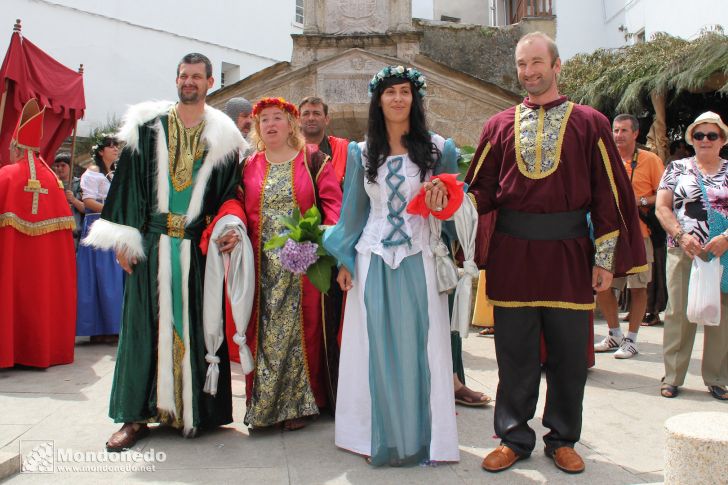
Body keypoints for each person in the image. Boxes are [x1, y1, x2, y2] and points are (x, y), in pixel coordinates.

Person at [461, 32, 645, 474]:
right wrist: (444, 201)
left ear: (557, 66)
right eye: (522, 64)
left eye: (537, 62)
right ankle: (513, 437)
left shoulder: (590, 122)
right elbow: (479, 192)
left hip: (568, 254)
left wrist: (604, 261)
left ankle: (563, 439)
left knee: (567, 357)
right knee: (514, 355)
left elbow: (607, 195)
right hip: (512, 254)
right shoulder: (497, 125)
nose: (528, 72)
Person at [82, 53, 247, 450]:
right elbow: (128, 185)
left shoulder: (224, 136)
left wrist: (229, 227)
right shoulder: (148, 128)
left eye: (196, 76)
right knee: (141, 329)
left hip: (195, 248)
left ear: (210, 82)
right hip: (152, 245)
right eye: (183, 75)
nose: (189, 82)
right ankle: (133, 417)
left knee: (196, 326)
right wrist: (124, 237)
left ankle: (196, 410)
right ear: (177, 79)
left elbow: (230, 194)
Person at [324, 65, 460, 466]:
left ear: (414, 99)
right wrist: (345, 259)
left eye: (405, 91)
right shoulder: (361, 152)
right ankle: (370, 435)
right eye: (390, 92)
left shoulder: (438, 149)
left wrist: (443, 201)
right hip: (372, 258)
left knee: (422, 346)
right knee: (374, 347)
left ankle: (425, 439)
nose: (398, 98)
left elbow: (452, 212)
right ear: (378, 99)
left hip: (419, 257)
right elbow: (353, 210)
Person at [235, 97, 342, 430]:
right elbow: (236, 204)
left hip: (303, 267)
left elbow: (333, 206)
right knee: (264, 334)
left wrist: (318, 238)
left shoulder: (313, 161)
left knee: (303, 334)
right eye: (263, 119)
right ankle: (266, 406)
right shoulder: (248, 166)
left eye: (277, 118)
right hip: (260, 267)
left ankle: (300, 405)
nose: (270, 124)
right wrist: (230, 227)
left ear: (291, 124)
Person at [655, 111, 728, 401]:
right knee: (678, 314)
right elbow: (662, 207)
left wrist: (725, 238)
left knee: (723, 314)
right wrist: (681, 235)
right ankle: (672, 376)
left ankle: (718, 377)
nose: (705, 140)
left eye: (712, 135)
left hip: (722, 252)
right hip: (684, 249)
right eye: (699, 135)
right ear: (691, 139)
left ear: (722, 140)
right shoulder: (676, 168)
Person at [0, 98, 76, 368]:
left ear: (16, 146)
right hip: (44, 264)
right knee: (42, 293)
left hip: (12, 260)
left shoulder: (6, 175)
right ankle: (43, 349)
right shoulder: (53, 180)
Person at [595, 114, 664, 358]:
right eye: (615, 130)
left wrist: (641, 201)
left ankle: (632, 339)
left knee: (638, 286)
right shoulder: (604, 159)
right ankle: (614, 334)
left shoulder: (650, 160)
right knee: (602, 284)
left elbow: (666, 195)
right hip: (609, 235)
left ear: (635, 133)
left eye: (624, 130)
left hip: (640, 233)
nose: (618, 135)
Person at [75, 135, 125, 343]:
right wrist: (111, 209)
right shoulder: (92, 173)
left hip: (113, 225)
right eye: (110, 146)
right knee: (99, 276)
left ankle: (113, 325)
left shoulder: (115, 173)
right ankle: (98, 327)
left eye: (116, 146)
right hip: (97, 225)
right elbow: (87, 201)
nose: (115, 149)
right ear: (101, 151)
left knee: (113, 276)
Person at [299, 96, 349, 184]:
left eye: (316, 113)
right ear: (298, 120)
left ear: (326, 119)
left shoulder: (343, 148)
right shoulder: (287, 150)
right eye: (306, 113)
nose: (311, 118)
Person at [51, 152, 85, 248]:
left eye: (63, 165)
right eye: (57, 166)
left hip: (74, 233)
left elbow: (85, 209)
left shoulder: (80, 184)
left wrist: (73, 199)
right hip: (55, 229)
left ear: (71, 167)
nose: (59, 168)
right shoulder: (51, 183)